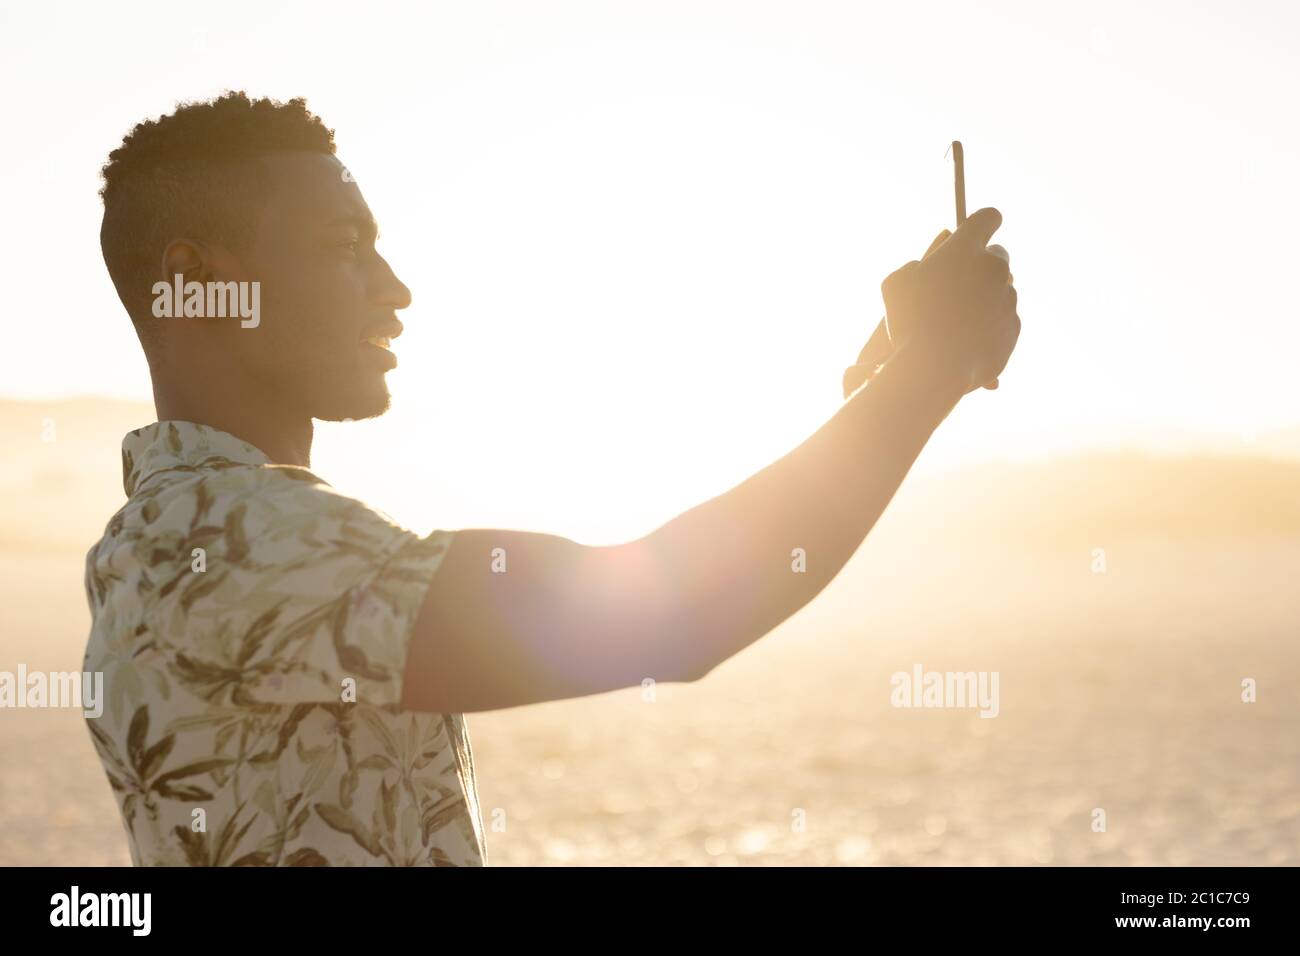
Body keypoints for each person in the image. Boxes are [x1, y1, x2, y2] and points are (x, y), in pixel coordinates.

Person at [84, 91, 1020, 867]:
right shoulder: (217, 540)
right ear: (194, 281)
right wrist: (924, 375)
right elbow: (668, 611)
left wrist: (882, 395)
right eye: (342, 245)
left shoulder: (178, 544)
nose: (392, 287)